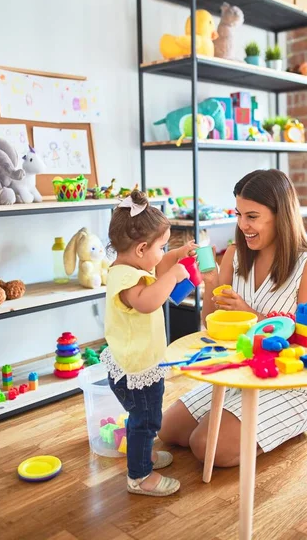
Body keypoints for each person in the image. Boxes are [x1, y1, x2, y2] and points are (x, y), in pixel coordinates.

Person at [159, 169, 307, 467]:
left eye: (252, 216)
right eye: (238, 214)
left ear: (281, 216)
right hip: (241, 373)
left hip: (289, 382)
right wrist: (210, 284)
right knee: (168, 429)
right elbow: (210, 325)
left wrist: (251, 314)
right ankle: (236, 422)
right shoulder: (237, 254)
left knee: (205, 445)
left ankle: (295, 422)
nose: (242, 225)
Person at [101, 189, 195, 496]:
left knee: (142, 419)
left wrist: (176, 256)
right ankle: (140, 476)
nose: (163, 252)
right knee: (146, 420)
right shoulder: (130, 281)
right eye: (161, 246)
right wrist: (174, 276)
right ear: (142, 248)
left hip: (133, 362)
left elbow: (157, 266)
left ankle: (144, 455)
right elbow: (148, 302)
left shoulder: (129, 267)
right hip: (137, 368)